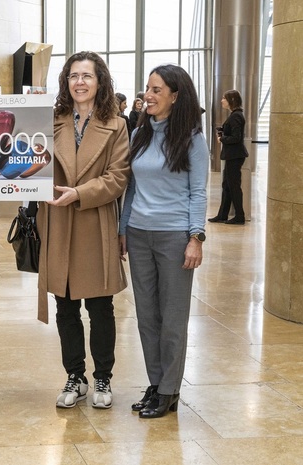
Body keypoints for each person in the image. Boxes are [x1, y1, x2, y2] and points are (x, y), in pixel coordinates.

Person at [36, 51, 130, 410]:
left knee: (100, 306)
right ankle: (75, 376)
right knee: (65, 305)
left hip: (93, 221)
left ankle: (103, 376)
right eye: (73, 76)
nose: (79, 82)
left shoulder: (117, 125)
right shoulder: (51, 120)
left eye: (87, 76)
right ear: (66, 82)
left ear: (100, 81)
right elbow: (30, 161)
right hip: (58, 221)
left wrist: (79, 193)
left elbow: (118, 177)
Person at [119, 64, 208, 419]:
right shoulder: (140, 133)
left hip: (174, 237)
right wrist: (124, 230)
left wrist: (196, 237)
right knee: (147, 317)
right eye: (147, 88)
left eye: (157, 90)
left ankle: (170, 390)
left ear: (175, 95)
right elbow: (132, 188)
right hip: (139, 235)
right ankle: (155, 384)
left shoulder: (191, 137)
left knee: (172, 318)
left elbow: (198, 191)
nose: (148, 95)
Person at [209, 89, 248, 225]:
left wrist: (222, 138)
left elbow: (236, 138)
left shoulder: (236, 116)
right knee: (227, 185)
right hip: (232, 155)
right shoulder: (235, 115)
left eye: (224, 98)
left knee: (233, 186)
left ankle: (239, 216)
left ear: (231, 100)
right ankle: (222, 214)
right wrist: (223, 131)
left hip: (235, 156)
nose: (221, 101)